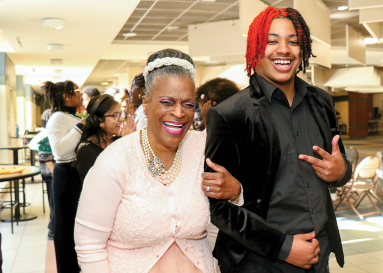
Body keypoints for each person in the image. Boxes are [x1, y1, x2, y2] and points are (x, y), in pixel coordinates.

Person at [203, 7, 353, 273]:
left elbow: (338, 164)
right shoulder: (230, 114)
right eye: (271, 41)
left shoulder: (322, 102)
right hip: (260, 260)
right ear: (255, 48)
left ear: (302, 48)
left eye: (293, 41)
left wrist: (341, 172)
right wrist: (284, 247)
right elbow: (218, 207)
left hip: (320, 252)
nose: (283, 49)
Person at [74, 48, 240, 273]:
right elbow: (89, 246)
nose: (179, 113)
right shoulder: (116, 161)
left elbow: (221, 221)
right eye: (167, 102)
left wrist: (236, 193)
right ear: (146, 102)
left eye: (188, 104)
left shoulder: (204, 149)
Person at [43, 80, 84, 273]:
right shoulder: (57, 118)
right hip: (66, 175)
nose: (81, 94)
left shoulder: (68, 116)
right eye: (77, 91)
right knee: (65, 230)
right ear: (66, 96)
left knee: (73, 227)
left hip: (73, 174)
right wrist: (81, 127)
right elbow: (60, 150)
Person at [76, 94, 136, 181]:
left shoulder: (118, 140)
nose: (122, 119)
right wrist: (126, 145)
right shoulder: (86, 151)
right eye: (116, 115)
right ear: (99, 120)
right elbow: (107, 180)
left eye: (120, 114)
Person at [39, 108, 56, 240]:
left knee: (54, 202)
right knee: (54, 202)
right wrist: (57, 174)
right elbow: (46, 157)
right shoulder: (46, 136)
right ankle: (52, 229)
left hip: (52, 172)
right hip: (50, 173)